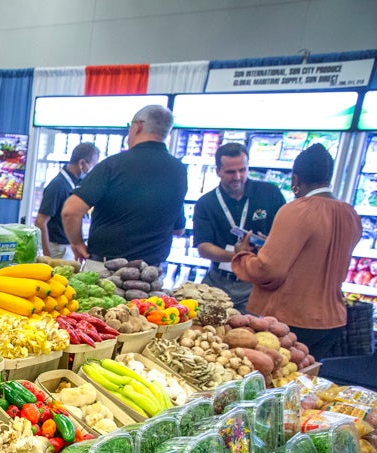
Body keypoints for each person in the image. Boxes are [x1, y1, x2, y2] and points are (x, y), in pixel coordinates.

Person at [232, 144, 361, 360]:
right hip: (333, 319)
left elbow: (268, 270)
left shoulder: (296, 210)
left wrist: (242, 255)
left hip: (292, 319)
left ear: (295, 181)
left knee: (277, 381)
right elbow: (316, 257)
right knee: (306, 381)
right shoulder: (350, 214)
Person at [61, 105, 187, 266]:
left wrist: (77, 244)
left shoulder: (113, 165)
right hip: (150, 273)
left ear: (138, 126)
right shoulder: (179, 170)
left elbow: (70, 211)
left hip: (107, 267)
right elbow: (178, 230)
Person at [194, 143, 285, 314]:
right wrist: (236, 256)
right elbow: (203, 247)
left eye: (242, 170)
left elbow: (286, 235)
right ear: (218, 171)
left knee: (249, 336)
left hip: (257, 284)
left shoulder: (269, 193)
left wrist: (273, 244)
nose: (237, 176)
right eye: (230, 172)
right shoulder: (206, 203)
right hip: (218, 283)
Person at [34, 143, 100, 259]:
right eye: (93, 166)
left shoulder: (76, 183)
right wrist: (47, 256)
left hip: (68, 247)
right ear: (81, 163)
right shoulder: (58, 185)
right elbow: (40, 221)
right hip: (58, 249)